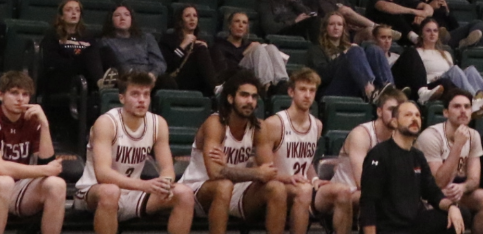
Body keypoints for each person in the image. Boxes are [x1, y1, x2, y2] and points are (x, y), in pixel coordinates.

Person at [75, 70, 194, 234]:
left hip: (133, 192)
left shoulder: (158, 124)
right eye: (135, 94)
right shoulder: (106, 123)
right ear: (121, 98)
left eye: (146, 94)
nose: (142, 100)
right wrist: (144, 185)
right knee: (110, 191)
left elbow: (167, 169)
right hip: (95, 191)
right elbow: (103, 174)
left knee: (184, 193)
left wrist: (165, 183)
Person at [0, 71, 65, 234]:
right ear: (0, 95)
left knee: (56, 185)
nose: (20, 99)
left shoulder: (32, 120)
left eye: (25, 94)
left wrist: (44, 125)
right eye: (14, 93)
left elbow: (46, 162)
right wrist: (44, 170)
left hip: (14, 186)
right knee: (3, 182)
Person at [180, 75, 274, 234]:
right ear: (230, 98)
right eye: (244, 95)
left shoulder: (259, 128)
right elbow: (215, 172)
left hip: (234, 188)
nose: (250, 101)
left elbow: (268, 172)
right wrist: (256, 172)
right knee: (223, 186)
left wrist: (254, 170)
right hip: (197, 189)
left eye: (253, 96)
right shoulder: (216, 124)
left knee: (275, 187)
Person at [360, 99, 467, 234]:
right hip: (388, 228)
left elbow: (432, 192)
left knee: (459, 215)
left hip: (413, 224)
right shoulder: (379, 154)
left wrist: (452, 207)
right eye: (408, 115)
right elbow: (368, 203)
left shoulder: (418, 156)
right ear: (394, 122)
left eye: (417, 115)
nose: (414, 119)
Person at [319, 87, 405, 234]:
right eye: (391, 109)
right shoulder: (361, 135)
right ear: (379, 112)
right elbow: (362, 182)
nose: (395, 115)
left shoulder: (401, 139)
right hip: (345, 191)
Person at [419, 91, 483, 234]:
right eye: (457, 107)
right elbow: (438, 183)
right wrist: (457, 146)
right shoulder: (431, 136)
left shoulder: (473, 135)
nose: (463, 111)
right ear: (446, 113)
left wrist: (463, 188)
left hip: (455, 190)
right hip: (429, 195)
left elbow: (474, 179)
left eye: (467, 107)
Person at [263, 68, 325, 234]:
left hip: (300, 184)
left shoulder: (317, 125)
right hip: (275, 185)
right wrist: (288, 178)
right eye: (302, 89)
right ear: (291, 92)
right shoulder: (274, 123)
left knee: (341, 191)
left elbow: (307, 161)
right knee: (303, 190)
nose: (307, 95)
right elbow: (261, 167)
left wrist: (315, 179)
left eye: (312, 91)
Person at [312, 12, 394, 102]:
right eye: (332, 24)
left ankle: (391, 93)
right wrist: (343, 55)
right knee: (355, 50)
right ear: (325, 28)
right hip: (331, 90)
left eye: (339, 24)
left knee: (373, 49)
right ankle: (370, 91)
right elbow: (321, 76)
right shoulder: (317, 49)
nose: (336, 27)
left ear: (343, 28)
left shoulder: (348, 47)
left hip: (354, 88)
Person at [415, 19, 483, 102]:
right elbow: (418, 76)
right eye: (428, 31)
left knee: (470, 70)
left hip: (448, 83)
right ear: (422, 34)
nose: (432, 34)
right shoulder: (417, 52)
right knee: (454, 70)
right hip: (434, 86)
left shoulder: (446, 53)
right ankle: (473, 100)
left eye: (435, 31)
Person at [90, 4, 165, 83]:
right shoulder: (105, 41)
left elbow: (159, 62)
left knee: (167, 81)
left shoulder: (147, 38)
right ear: (111, 20)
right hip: (124, 77)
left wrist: (153, 74)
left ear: (131, 19)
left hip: (149, 76)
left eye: (126, 15)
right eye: (117, 15)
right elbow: (112, 67)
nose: (122, 18)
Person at [161, 4, 222, 98]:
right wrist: (182, 46)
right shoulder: (169, 39)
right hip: (178, 78)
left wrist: (206, 49)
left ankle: (218, 87)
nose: (192, 19)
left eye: (195, 16)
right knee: (201, 49)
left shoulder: (203, 41)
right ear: (180, 21)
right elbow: (168, 65)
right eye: (187, 16)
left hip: (199, 80)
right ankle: (216, 88)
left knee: (214, 49)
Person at [39, 0, 91, 107]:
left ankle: (101, 83)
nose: (74, 13)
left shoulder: (88, 36)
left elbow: (93, 58)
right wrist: (77, 61)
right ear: (61, 16)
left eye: (77, 10)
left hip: (84, 76)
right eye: (69, 10)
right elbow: (51, 61)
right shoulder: (52, 35)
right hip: (61, 78)